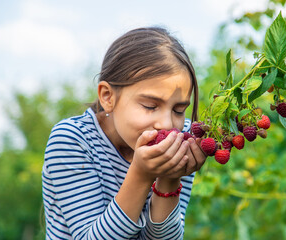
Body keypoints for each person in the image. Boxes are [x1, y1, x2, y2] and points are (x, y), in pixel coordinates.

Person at [42, 27, 207, 239]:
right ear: (108, 97)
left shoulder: (181, 140)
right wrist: (141, 174)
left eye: (179, 110)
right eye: (150, 106)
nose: (167, 125)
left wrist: (169, 177)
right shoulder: (72, 140)